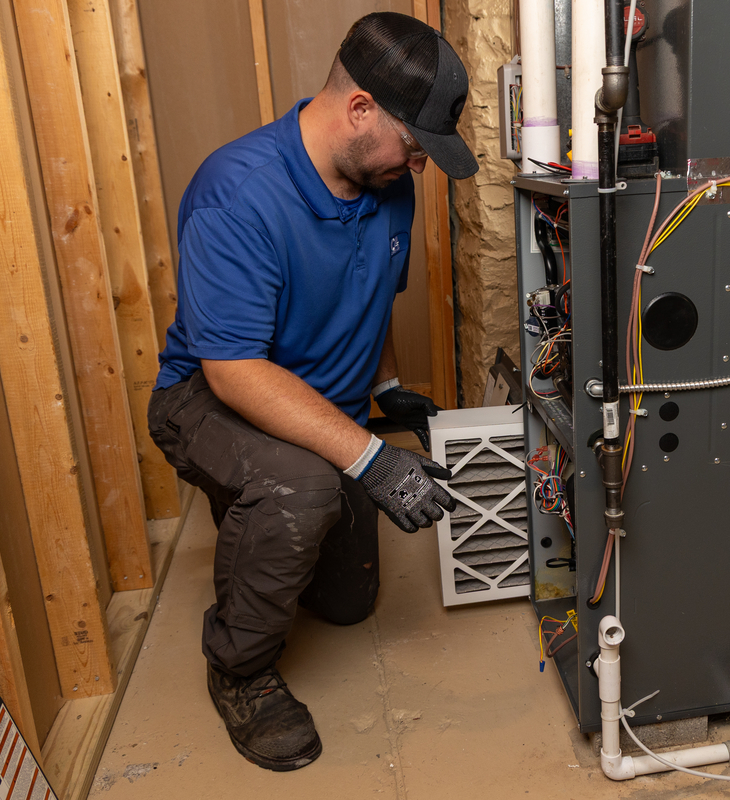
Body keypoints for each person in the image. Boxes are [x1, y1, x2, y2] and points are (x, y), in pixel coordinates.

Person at [147, 12, 478, 772]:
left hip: (313, 406)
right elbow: (233, 370)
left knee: (348, 603)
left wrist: (389, 390)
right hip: (208, 396)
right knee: (301, 491)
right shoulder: (237, 193)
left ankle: (262, 503)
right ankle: (237, 669)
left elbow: (372, 297)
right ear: (360, 109)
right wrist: (369, 458)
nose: (420, 166)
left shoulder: (387, 181)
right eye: (415, 146)